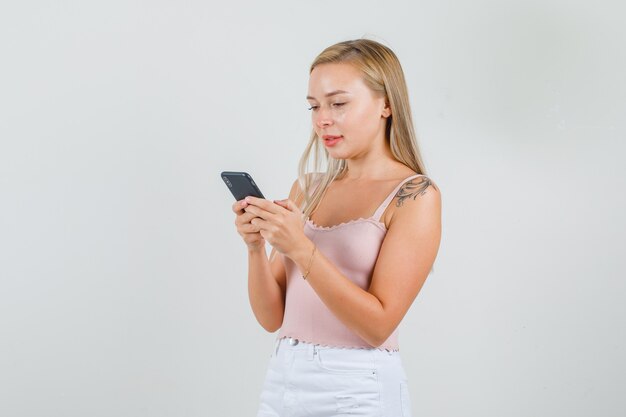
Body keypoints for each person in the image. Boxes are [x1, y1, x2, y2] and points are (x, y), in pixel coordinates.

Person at [231, 38, 441, 417]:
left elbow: (378, 326)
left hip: (357, 387)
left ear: (386, 104)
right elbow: (271, 317)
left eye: (339, 103)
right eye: (314, 106)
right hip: (284, 379)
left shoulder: (413, 194)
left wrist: (301, 248)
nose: (322, 119)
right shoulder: (309, 187)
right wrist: (254, 248)